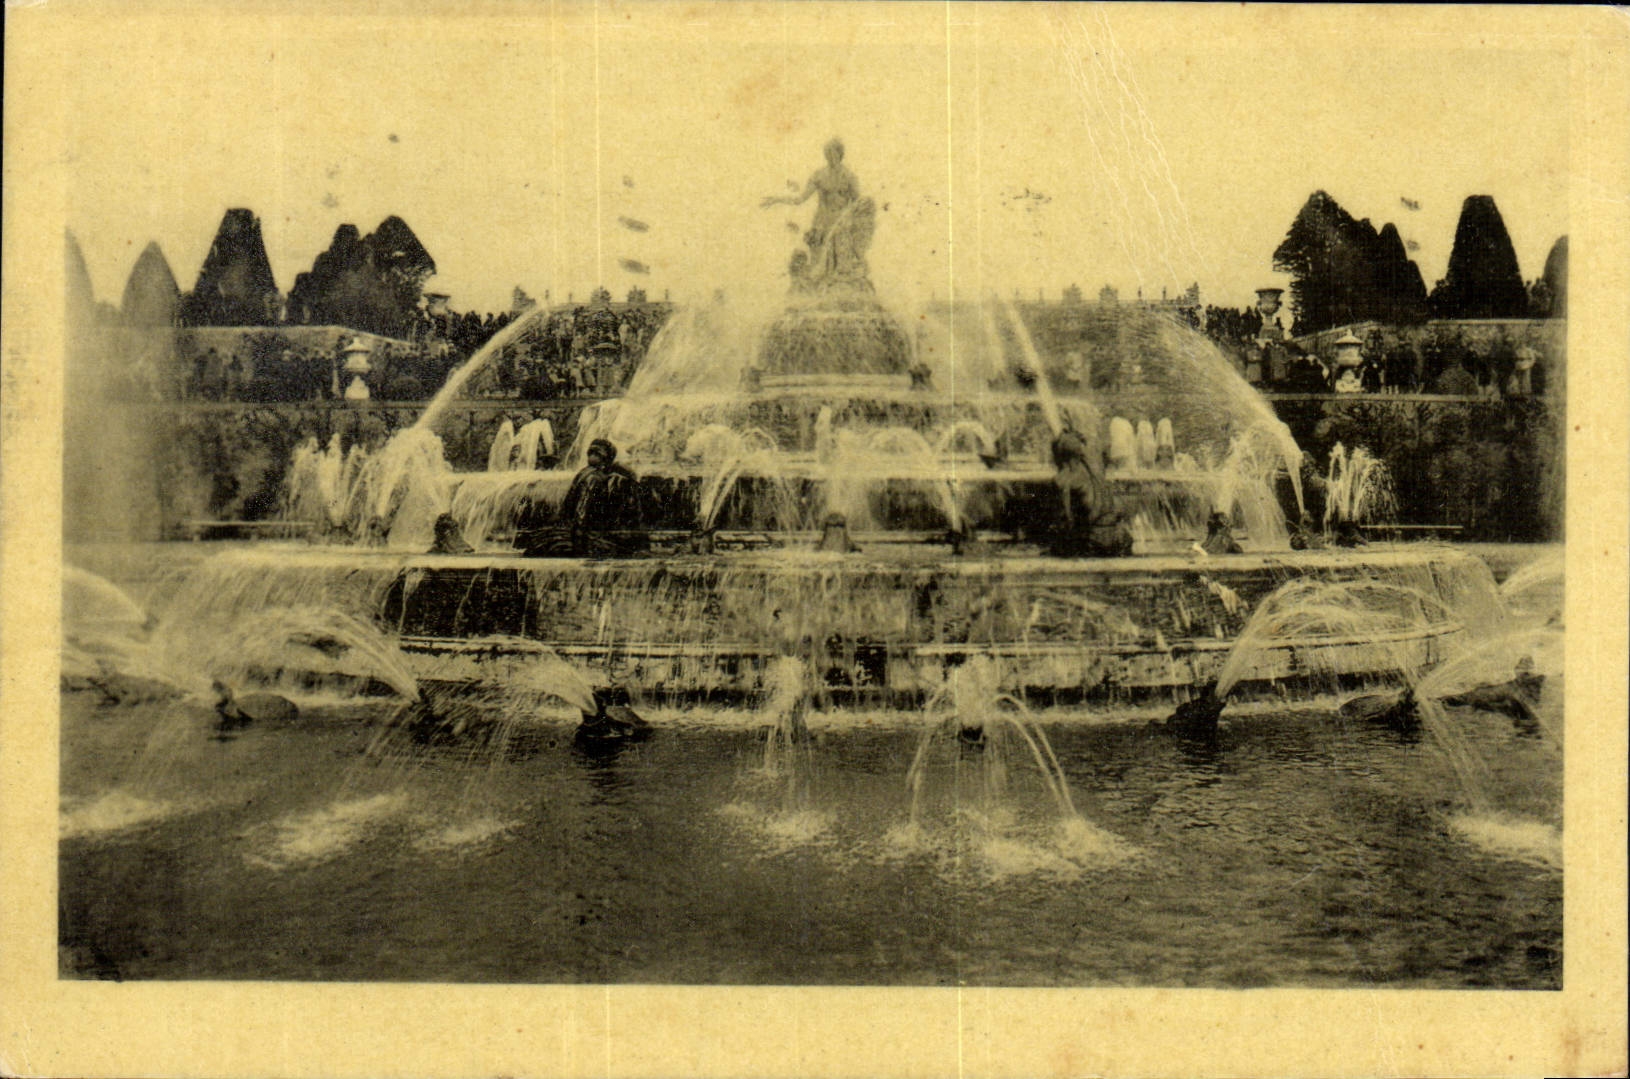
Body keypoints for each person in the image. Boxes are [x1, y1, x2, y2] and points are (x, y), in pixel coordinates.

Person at [528, 438, 646, 558]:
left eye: (596, 454)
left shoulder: (587, 473)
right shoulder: (594, 478)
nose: (592, 457)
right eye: (591, 453)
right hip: (580, 534)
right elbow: (581, 513)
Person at [1047, 425, 1132, 558]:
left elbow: (1066, 521)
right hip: (1119, 538)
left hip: (1093, 543)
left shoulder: (1065, 478)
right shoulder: (1096, 470)